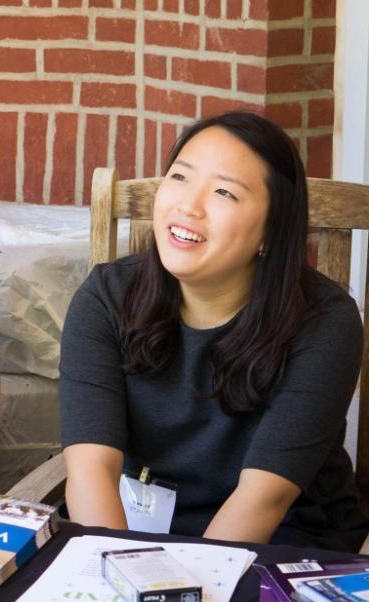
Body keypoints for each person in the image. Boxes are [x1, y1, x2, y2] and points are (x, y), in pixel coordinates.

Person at [59, 111, 368, 551]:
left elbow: (265, 499)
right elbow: (91, 470)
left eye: (224, 191)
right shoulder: (106, 298)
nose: (189, 206)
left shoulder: (324, 322)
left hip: (281, 544)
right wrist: (125, 570)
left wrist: (185, 591)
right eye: (180, 177)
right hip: (128, 535)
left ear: (271, 230)